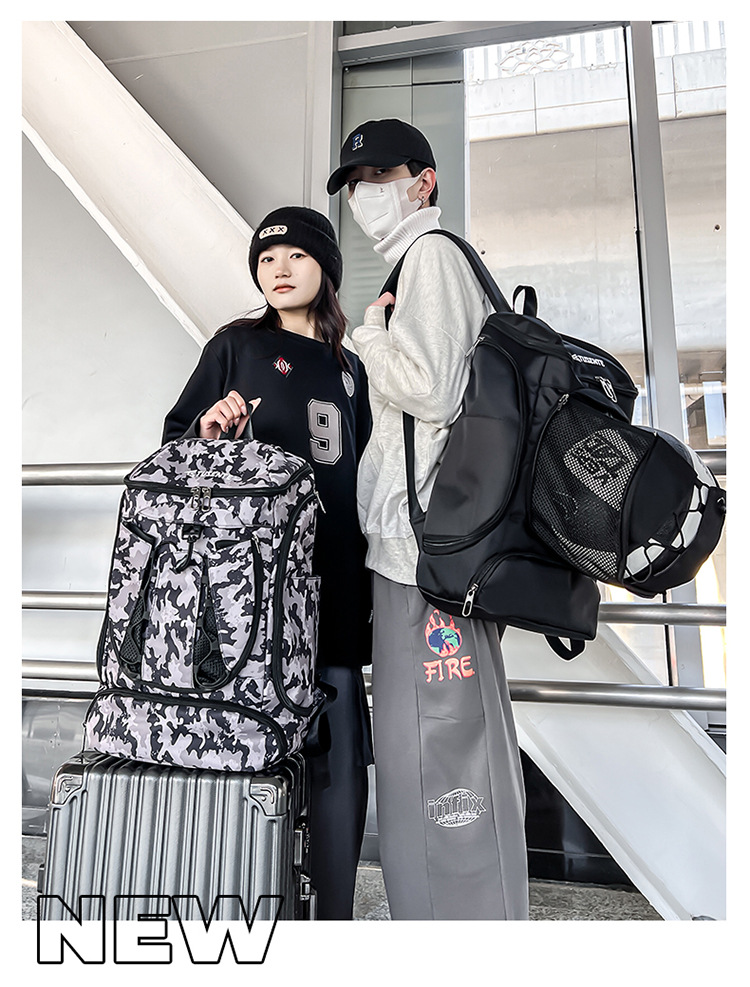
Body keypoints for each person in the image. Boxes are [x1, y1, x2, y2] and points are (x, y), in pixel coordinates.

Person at [327, 119, 529, 920]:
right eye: (356, 184)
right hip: (414, 552)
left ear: (424, 182)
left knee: (444, 747)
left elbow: (434, 391)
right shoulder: (415, 263)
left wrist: (369, 334)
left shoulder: (433, 256)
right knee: (423, 743)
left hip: (427, 554)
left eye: (381, 177)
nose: (366, 195)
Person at [162, 206, 373, 921]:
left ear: (326, 268)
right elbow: (176, 451)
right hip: (251, 590)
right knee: (245, 745)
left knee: (340, 754)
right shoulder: (237, 346)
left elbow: (368, 476)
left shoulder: (353, 368)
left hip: (336, 579)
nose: (278, 269)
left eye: (295, 256)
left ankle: (334, 919)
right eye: (266, 259)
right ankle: (246, 909)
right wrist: (210, 433)